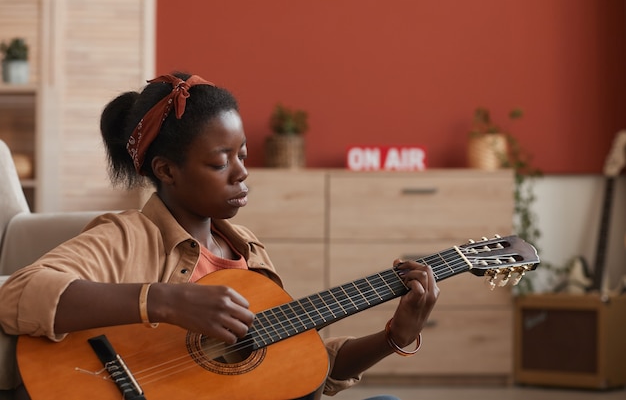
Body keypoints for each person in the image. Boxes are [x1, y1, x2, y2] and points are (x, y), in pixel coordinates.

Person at [0, 73, 439, 400]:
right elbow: (18, 294)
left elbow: (301, 370)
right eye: (220, 162)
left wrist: (394, 337)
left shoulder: (249, 250)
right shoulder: (125, 236)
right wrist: (166, 301)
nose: (242, 171)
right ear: (167, 170)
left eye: (242, 155)